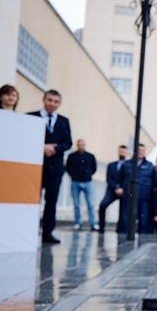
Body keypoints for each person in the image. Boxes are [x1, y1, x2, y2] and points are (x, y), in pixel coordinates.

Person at [29, 89, 72, 244]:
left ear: (59, 104)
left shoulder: (64, 121)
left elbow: (68, 142)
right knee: (32, 200)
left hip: (55, 168)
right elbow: (25, 138)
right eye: (49, 100)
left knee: (51, 201)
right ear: (44, 100)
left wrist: (54, 148)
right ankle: (30, 230)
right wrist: (42, 147)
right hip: (34, 166)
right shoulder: (31, 117)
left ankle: (48, 232)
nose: (52, 104)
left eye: (55, 101)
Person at [118, 144, 157, 234]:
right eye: (139, 150)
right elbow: (120, 178)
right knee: (126, 220)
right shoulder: (127, 164)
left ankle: (141, 240)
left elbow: (154, 181)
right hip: (128, 196)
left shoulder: (150, 166)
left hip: (144, 197)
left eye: (142, 150)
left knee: (143, 221)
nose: (140, 152)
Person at [65, 138, 99, 231]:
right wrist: (73, 175)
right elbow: (68, 167)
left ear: (85, 145)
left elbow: (94, 168)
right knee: (76, 204)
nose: (81, 146)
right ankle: (78, 223)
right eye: (79, 144)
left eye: (82, 144)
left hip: (88, 182)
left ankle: (93, 223)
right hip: (75, 182)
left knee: (91, 203)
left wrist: (88, 175)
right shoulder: (72, 156)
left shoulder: (90, 156)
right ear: (77, 145)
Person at [98, 145, 128, 233]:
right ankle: (101, 227)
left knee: (123, 211)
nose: (122, 153)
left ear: (126, 153)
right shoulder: (111, 165)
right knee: (102, 205)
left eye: (123, 152)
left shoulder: (128, 165)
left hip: (124, 191)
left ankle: (120, 230)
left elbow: (128, 179)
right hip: (112, 190)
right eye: (120, 151)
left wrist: (122, 188)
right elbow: (109, 178)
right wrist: (116, 188)